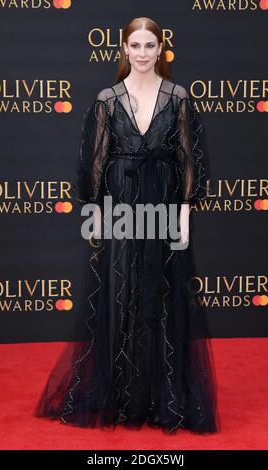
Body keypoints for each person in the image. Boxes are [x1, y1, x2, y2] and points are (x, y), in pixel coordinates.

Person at [34, 16, 221, 435]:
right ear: (123, 50)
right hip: (119, 209)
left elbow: (190, 161)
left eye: (148, 46)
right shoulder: (106, 100)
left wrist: (185, 216)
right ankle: (121, 397)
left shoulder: (178, 98)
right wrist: (97, 217)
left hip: (163, 205)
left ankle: (161, 397)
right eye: (134, 46)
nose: (141, 53)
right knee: (119, 299)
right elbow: (95, 165)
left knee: (161, 298)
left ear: (160, 50)